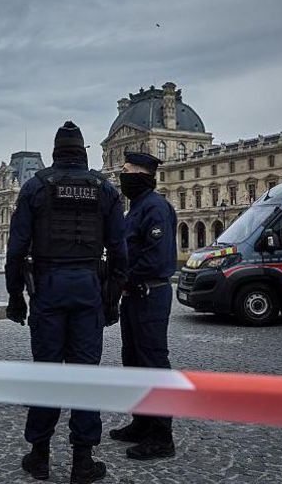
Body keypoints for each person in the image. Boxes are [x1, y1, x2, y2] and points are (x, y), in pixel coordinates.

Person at [5, 121, 128, 484]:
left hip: (48, 287)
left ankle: (40, 456)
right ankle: (82, 461)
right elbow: (119, 253)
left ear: (55, 153)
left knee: (46, 372)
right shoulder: (105, 189)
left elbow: (15, 250)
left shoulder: (36, 186)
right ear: (84, 153)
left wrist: (15, 296)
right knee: (85, 375)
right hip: (89, 287)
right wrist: (111, 300)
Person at [108, 152, 178, 460]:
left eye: (126, 171)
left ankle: (162, 436)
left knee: (153, 362)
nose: (122, 176)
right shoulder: (137, 207)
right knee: (134, 360)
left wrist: (123, 276)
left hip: (150, 293)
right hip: (135, 295)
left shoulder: (155, 208)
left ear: (142, 175)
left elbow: (156, 258)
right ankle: (142, 422)